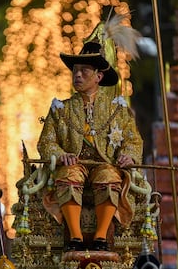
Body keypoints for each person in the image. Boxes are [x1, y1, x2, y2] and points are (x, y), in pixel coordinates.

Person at [37, 41, 143, 251]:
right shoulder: (61, 109)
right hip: (75, 165)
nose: (77, 75)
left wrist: (128, 155)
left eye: (84, 71)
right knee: (69, 174)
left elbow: (134, 140)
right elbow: (46, 142)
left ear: (98, 76)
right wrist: (60, 155)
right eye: (75, 71)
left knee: (109, 177)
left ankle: (101, 238)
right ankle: (75, 238)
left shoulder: (117, 109)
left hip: (106, 165)